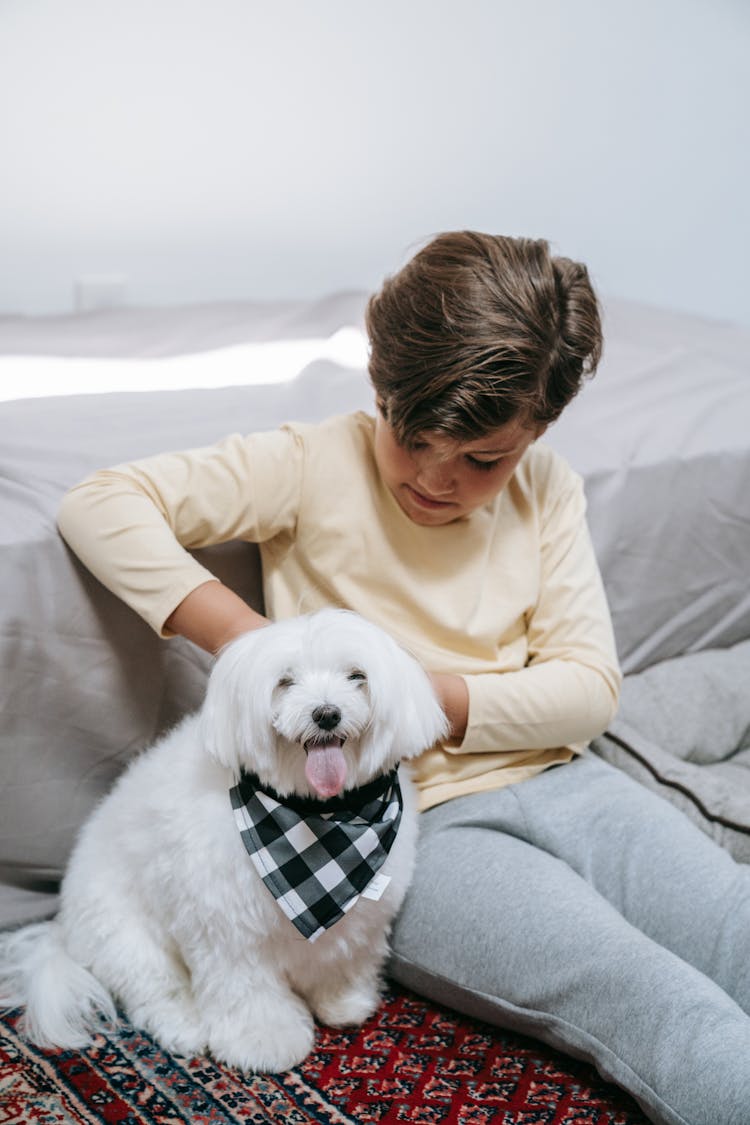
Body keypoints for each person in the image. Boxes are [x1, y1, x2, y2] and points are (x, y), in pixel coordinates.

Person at [57, 232, 750, 1125]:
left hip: (565, 776)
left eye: (482, 459)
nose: (434, 477)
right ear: (380, 386)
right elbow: (101, 504)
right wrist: (251, 644)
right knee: (646, 993)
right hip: (406, 833)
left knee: (731, 918)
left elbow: (587, 690)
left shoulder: (549, 489)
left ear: (537, 430)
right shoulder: (309, 462)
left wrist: (415, 695)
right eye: (412, 436)